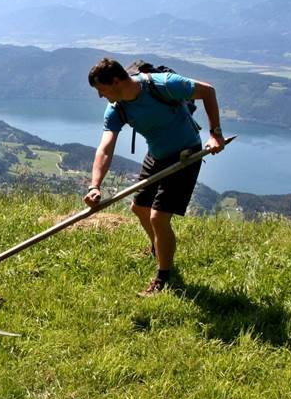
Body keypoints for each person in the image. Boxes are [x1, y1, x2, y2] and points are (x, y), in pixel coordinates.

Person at [85, 58, 225, 295]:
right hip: (157, 155)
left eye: (101, 88)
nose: (99, 95)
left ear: (116, 81)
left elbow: (207, 91)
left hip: (185, 154)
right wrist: (94, 186)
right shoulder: (117, 108)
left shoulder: (164, 84)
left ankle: (163, 278)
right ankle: (158, 248)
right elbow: (105, 149)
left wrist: (216, 134)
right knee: (139, 209)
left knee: (158, 218)